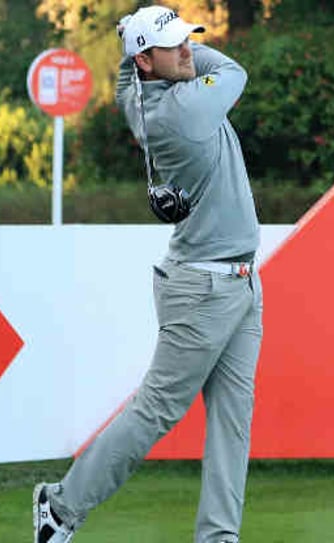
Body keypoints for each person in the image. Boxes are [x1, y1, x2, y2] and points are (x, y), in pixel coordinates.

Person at [32, 6, 264, 543]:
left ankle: (218, 537)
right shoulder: (184, 111)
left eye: (188, 41)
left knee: (233, 420)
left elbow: (130, 72)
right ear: (145, 60)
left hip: (238, 282)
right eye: (175, 45)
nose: (188, 50)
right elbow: (233, 71)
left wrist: (160, 44)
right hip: (204, 289)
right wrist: (178, 55)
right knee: (156, 411)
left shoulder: (139, 93)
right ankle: (60, 507)